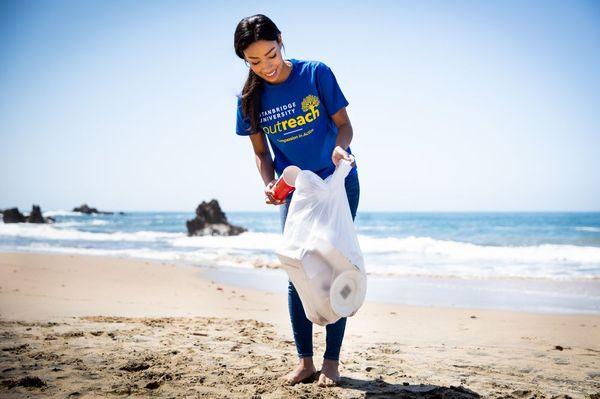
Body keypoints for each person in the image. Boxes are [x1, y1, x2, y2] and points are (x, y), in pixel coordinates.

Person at [234, 14, 360, 388]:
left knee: (337, 267)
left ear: (281, 42)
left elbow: (345, 125)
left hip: (337, 182)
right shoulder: (249, 99)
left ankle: (332, 362)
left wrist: (340, 150)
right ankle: (305, 362)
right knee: (299, 268)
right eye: (254, 62)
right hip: (297, 191)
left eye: (270, 55)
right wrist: (269, 183)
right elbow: (262, 154)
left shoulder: (315, 73)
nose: (266, 67)